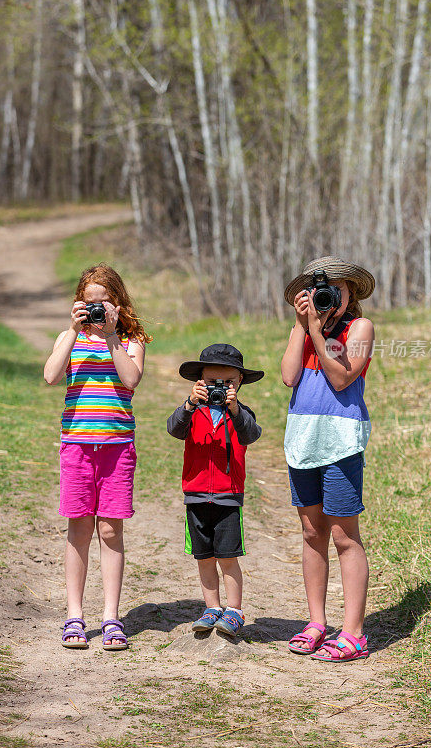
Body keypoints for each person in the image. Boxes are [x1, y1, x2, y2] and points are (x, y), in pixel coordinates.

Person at [44, 263, 151, 650]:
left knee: (110, 529)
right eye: (89, 303)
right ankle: (74, 614)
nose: (97, 309)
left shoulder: (130, 339)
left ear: (118, 303)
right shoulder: (68, 336)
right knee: (79, 529)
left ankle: (110, 616)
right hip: (76, 444)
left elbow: (131, 379)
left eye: (104, 302)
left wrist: (111, 337)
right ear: (78, 303)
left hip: (117, 447)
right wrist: (73, 331)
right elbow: (50, 376)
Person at [281, 256, 375, 662]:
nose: (328, 296)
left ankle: (353, 632)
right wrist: (303, 327)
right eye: (322, 289)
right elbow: (288, 376)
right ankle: (317, 621)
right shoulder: (302, 329)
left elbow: (340, 376)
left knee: (343, 535)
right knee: (311, 532)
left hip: (340, 440)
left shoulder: (361, 329)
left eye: (337, 288)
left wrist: (318, 333)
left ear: (351, 292)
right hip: (303, 439)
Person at [167, 344, 263, 636]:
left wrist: (233, 408)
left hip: (227, 497)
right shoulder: (192, 411)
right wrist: (189, 404)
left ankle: (234, 610)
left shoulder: (241, 414)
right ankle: (212, 607)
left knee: (228, 556)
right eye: (212, 382)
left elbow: (251, 434)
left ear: (239, 383)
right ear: (200, 382)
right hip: (196, 495)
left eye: (227, 382)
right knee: (204, 557)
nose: (219, 388)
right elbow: (173, 429)